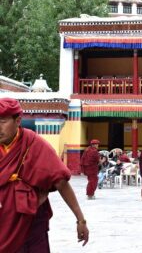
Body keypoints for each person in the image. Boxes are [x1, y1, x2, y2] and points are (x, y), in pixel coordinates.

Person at [0, 97, 89, 252]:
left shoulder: (34, 144)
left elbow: (61, 181)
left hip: (30, 222)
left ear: (18, 120)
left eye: (2, 121)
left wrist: (80, 219)